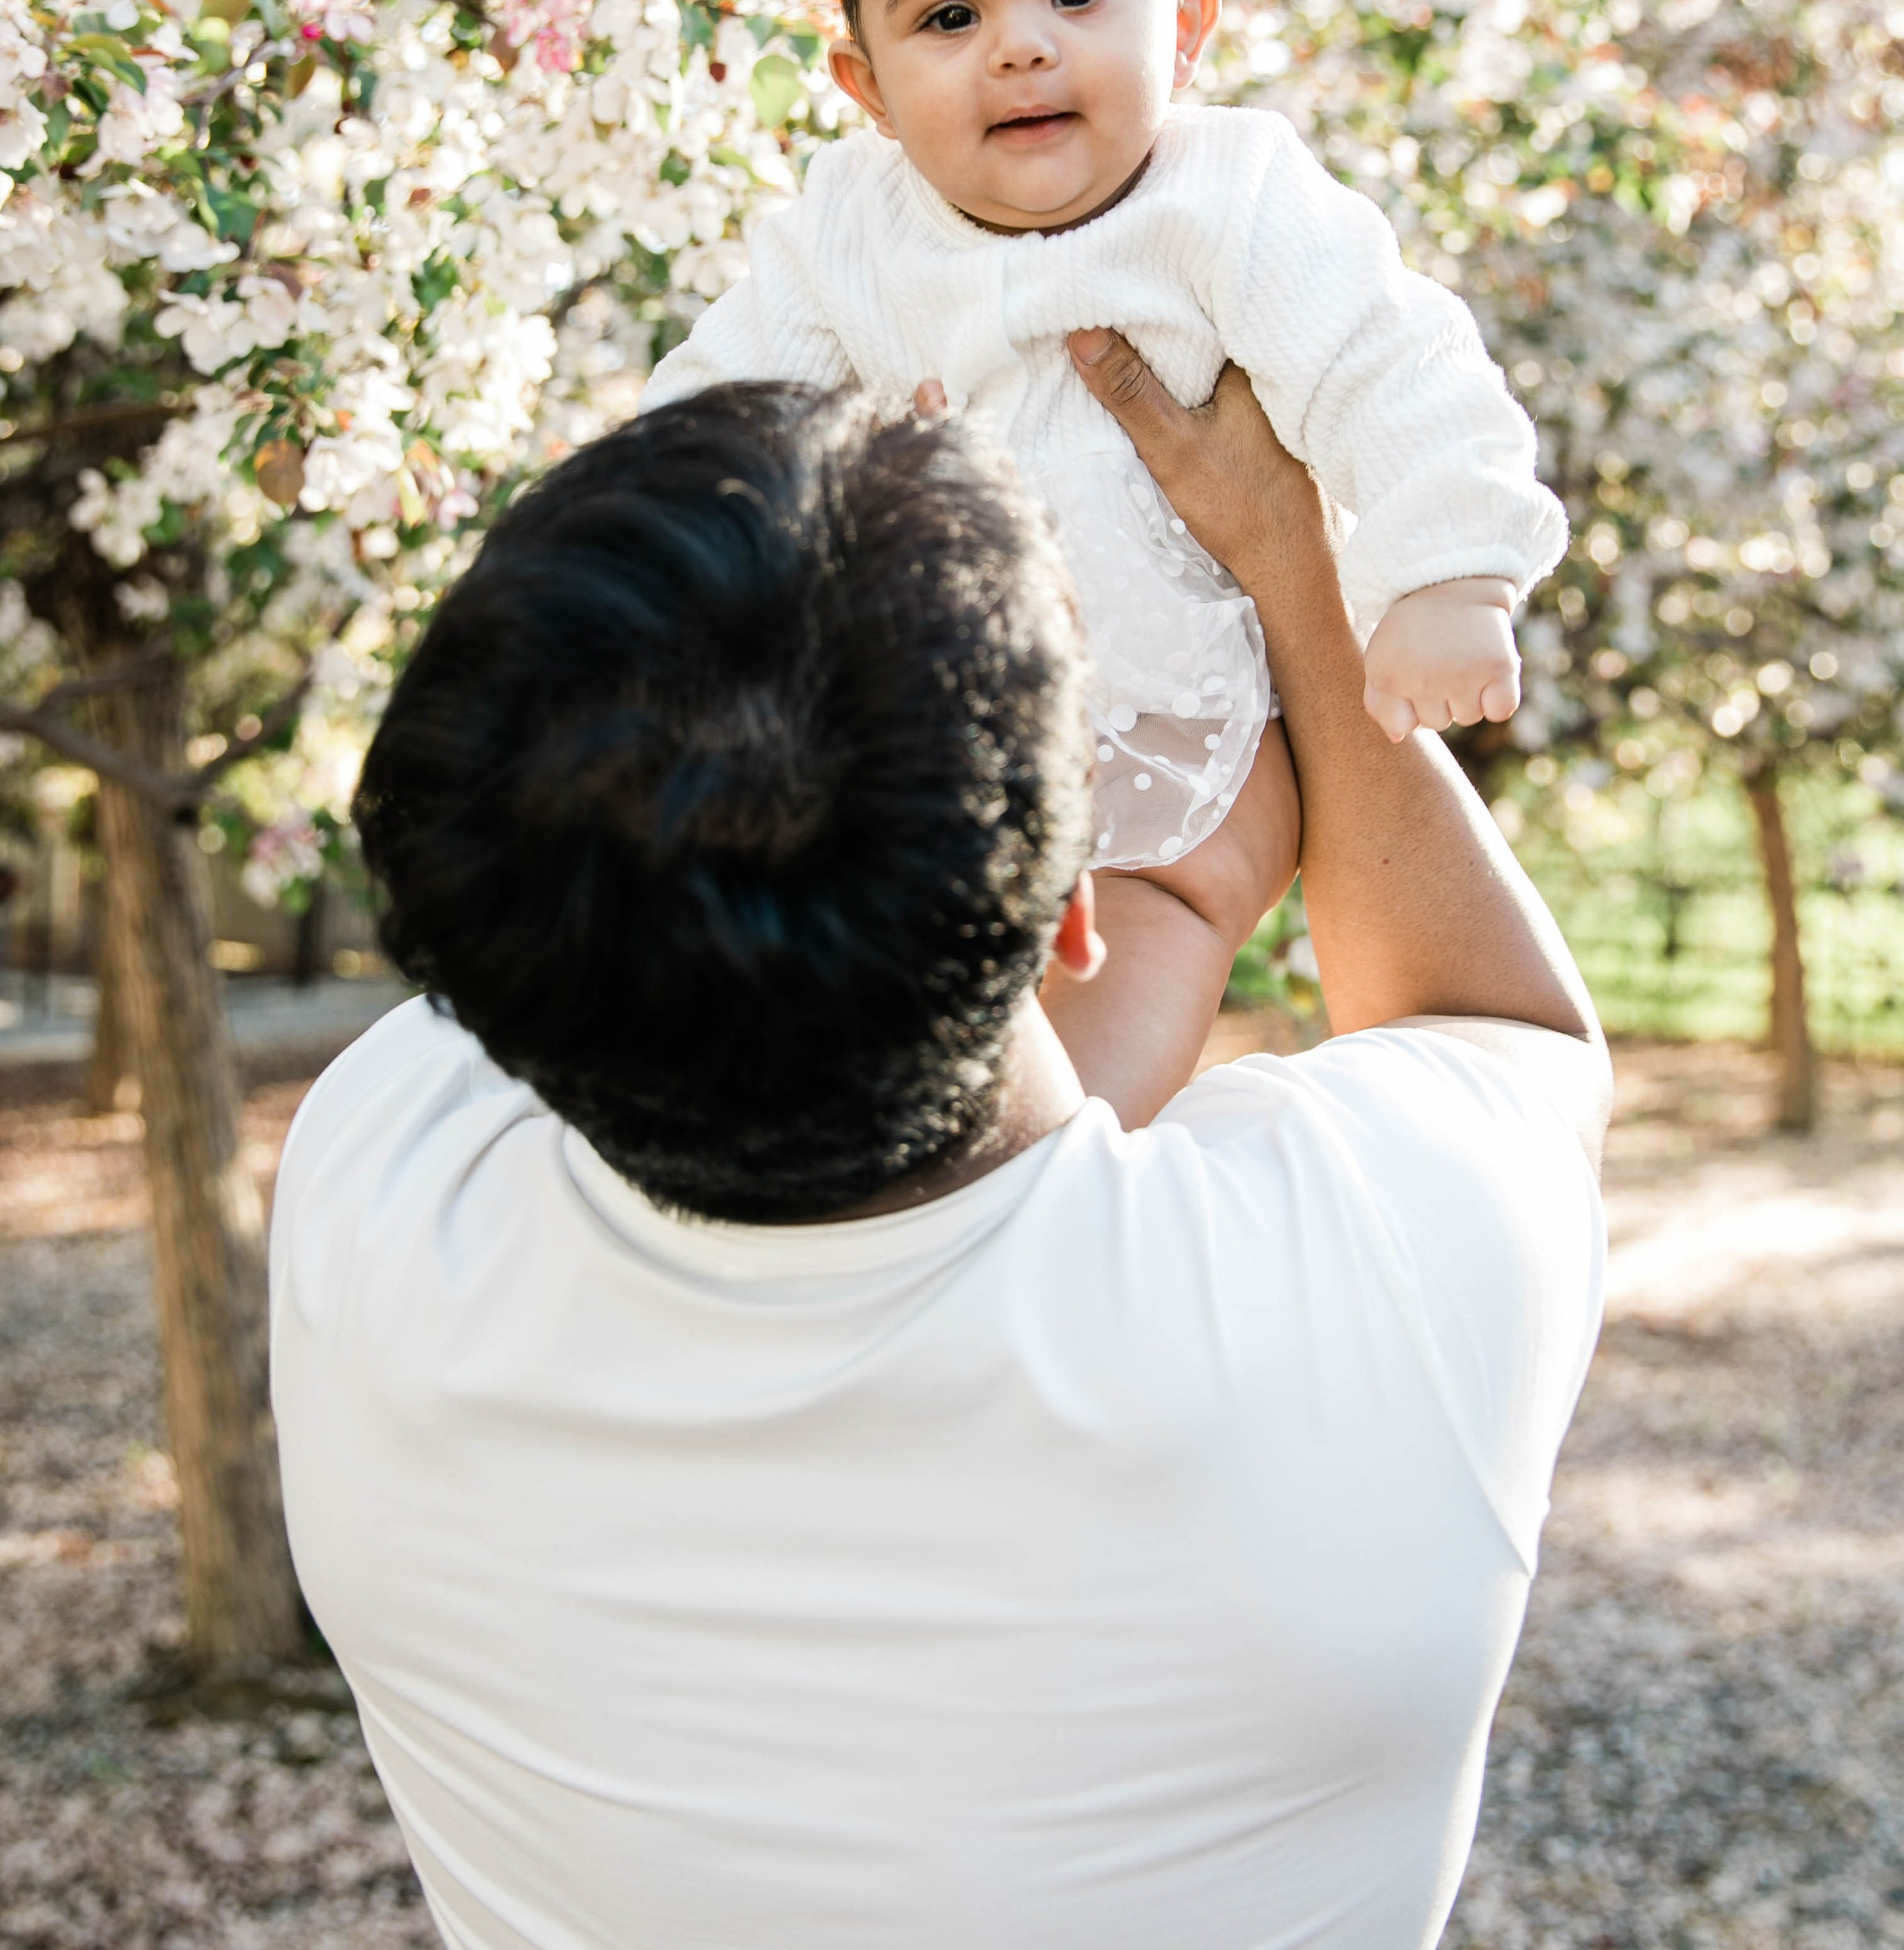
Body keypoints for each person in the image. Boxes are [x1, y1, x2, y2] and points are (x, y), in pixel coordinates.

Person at [270, 341, 1609, 1950]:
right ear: (1070, 916)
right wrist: (1294, 575)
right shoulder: (1375, 1292)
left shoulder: (374, 1196)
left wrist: (1170, 908)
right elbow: (1507, 1036)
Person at [641, 0, 1568, 1045]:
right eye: (948, 20)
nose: (1021, 47)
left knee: (1126, 976)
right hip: (932, 749)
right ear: (869, 86)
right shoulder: (847, 233)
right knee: (854, 991)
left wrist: (1449, 572)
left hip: (1183, 745)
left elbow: (1393, 361)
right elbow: (707, 427)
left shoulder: (1231, 199)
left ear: (1182, 29)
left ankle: (1071, 1137)